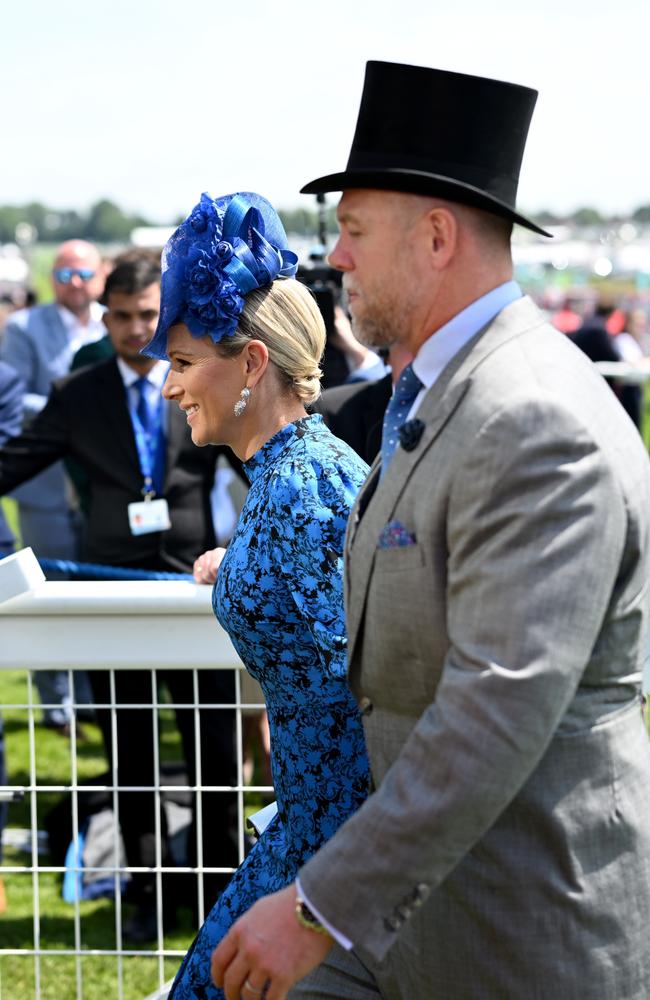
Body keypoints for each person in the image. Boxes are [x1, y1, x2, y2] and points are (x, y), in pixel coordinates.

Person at [211, 61, 650, 1000]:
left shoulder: (533, 420)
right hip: (419, 923)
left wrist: (315, 906)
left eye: (354, 229)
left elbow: (495, 707)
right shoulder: (448, 395)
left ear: (439, 236)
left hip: (520, 938)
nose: (337, 258)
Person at [140, 190, 370, 998]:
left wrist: (330, 892)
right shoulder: (292, 477)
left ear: (251, 364)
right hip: (313, 832)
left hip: (329, 851)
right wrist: (235, 560)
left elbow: (358, 689)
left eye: (182, 362)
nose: (169, 387)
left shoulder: (301, 490)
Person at [0, 251, 240, 940]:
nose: (138, 330)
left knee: (214, 755)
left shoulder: (203, 383)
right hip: (111, 598)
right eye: (124, 316)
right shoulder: (78, 393)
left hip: (196, 596)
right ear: (102, 318)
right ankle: (147, 896)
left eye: (149, 315)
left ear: (167, 316)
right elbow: (14, 463)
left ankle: (221, 891)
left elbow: (259, 462)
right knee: (130, 755)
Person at [0, 239, 106, 733]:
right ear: (51, 281)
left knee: (94, 593)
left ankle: (90, 699)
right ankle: (54, 704)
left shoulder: (115, 321)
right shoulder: (24, 327)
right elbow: (14, 401)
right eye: (64, 276)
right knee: (44, 592)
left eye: (83, 274)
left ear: (99, 276)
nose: (75, 284)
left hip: (97, 483)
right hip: (43, 483)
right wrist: (79, 413)